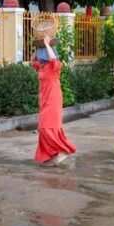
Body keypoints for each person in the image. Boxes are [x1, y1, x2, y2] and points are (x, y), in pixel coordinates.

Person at [32, 34, 77, 166]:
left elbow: (53, 58)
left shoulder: (54, 65)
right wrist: (39, 45)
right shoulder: (41, 66)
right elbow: (32, 61)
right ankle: (53, 155)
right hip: (44, 99)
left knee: (46, 127)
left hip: (53, 98)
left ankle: (63, 150)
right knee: (43, 128)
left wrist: (47, 44)